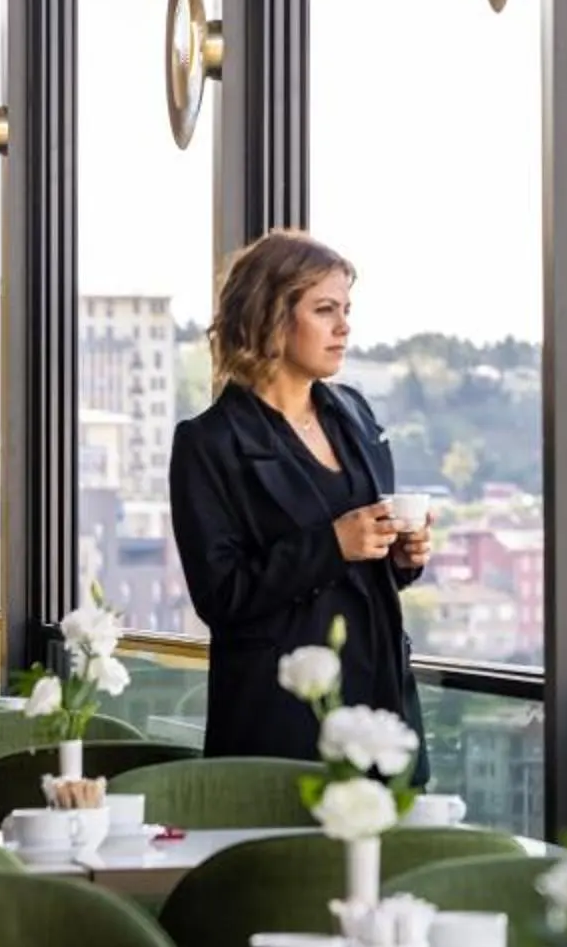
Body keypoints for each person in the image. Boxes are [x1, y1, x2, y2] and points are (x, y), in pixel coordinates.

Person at [170, 229, 432, 770]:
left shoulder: (354, 414)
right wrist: (332, 544)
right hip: (278, 719)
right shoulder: (210, 443)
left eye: (346, 309)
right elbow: (220, 596)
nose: (344, 327)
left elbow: (369, 562)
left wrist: (402, 557)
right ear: (270, 315)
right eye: (324, 310)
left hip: (381, 705)